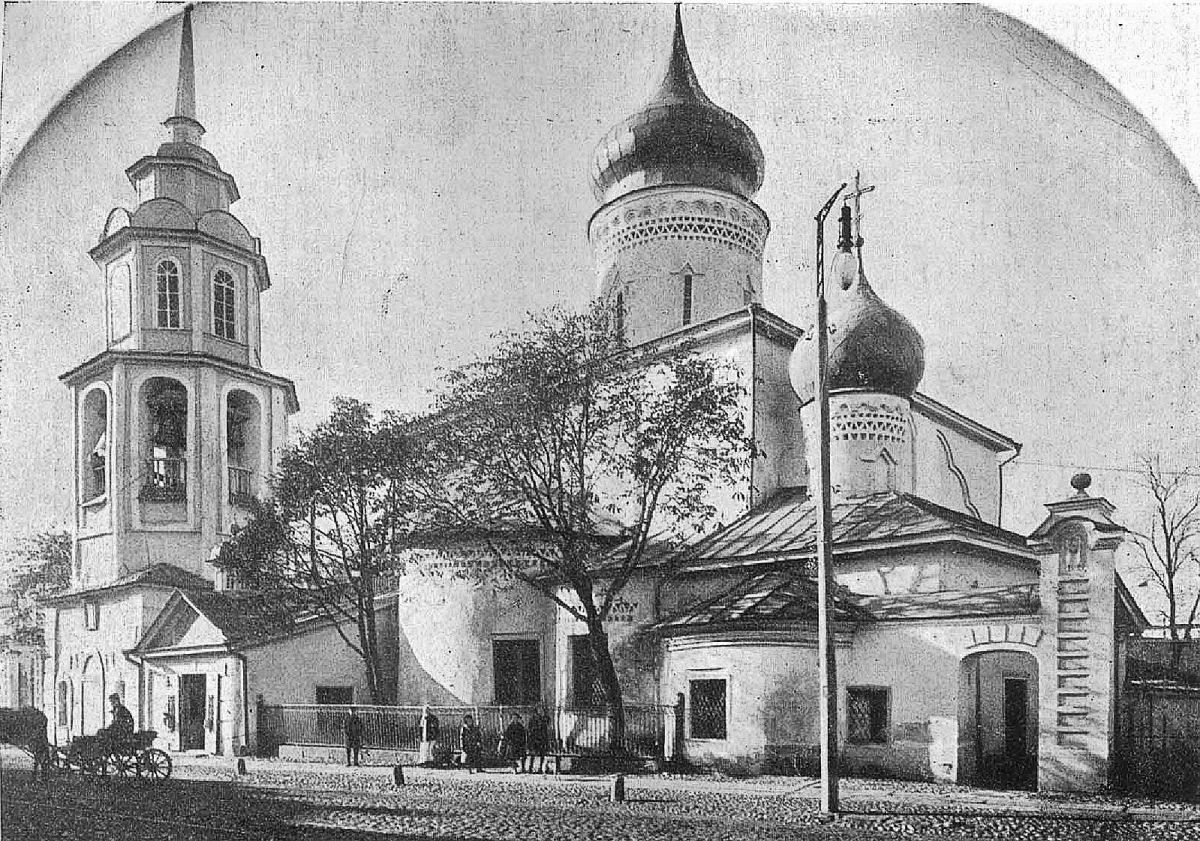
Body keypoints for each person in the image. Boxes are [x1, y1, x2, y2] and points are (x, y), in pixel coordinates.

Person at [526, 703, 551, 774]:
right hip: (534, 738)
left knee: (542, 754)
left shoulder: (544, 718)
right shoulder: (533, 719)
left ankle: (541, 768)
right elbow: (530, 728)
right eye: (539, 709)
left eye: (541, 709)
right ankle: (530, 768)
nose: (540, 711)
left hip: (542, 738)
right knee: (532, 754)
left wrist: (546, 714)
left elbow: (548, 722)